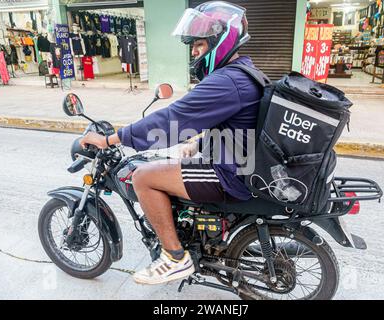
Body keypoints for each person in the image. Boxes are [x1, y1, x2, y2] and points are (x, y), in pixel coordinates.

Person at [79, 1, 262, 285]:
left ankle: (175, 258)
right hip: (237, 163)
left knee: (143, 177)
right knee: (170, 166)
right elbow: (234, 123)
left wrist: (110, 139)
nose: (194, 52)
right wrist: (199, 144)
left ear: (220, 40)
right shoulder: (243, 73)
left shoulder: (227, 81)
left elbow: (171, 119)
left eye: (199, 44)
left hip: (228, 174)